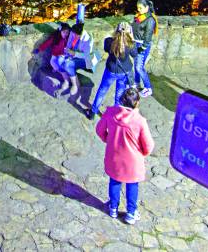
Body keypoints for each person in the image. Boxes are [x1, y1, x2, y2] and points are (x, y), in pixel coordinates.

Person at [96, 87, 155, 225]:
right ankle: (131, 213)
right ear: (136, 103)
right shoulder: (140, 121)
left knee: (115, 181)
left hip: (114, 156)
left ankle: (113, 208)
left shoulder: (110, 112)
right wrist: (142, 153)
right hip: (133, 161)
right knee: (132, 185)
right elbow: (148, 146)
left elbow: (99, 130)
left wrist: (108, 140)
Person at [87, 22, 136, 120]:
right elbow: (134, 54)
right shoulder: (130, 44)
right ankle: (116, 116)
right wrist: (132, 37)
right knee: (119, 94)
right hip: (124, 72)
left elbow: (106, 49)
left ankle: (93, 112)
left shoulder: (109, 42)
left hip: (111, 70)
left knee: (102, 90)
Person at [33, 22, 71, 94]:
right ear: (60, 31)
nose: (65, 34)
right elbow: (47, 43)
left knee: (60, 64)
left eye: (67, 32)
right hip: (55, 54)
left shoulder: (67, 39)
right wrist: (39, 49)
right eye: (64, 32)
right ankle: (59, 71)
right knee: (53, 62)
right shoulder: (55, 37)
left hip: (63, 55)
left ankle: (66, 78)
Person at [62, 22, 96, 102]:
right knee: (60, 60)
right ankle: (67, 81)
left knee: (68, 65)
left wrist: (74, 54)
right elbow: (69, 45)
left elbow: (86, 55)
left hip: (84, 60)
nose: (73, 35)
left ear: (79, 34)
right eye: (72, 34)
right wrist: (66, 53)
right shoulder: (73, 33)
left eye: (75, 35)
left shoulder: (88, 38)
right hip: (73, 55)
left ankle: (75, 85)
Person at [131, 0, 157, 97]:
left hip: (142, 45)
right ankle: (136, 83)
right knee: (136, 65)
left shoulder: (150, 19)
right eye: (138, 7)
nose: (138, 9)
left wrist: (143, 47)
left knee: (139, 67)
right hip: (135, 43)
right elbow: (134, 27)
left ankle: (148, 88)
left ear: (147, 8)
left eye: (141, 8)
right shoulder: (139, 16)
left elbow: (148, 35)